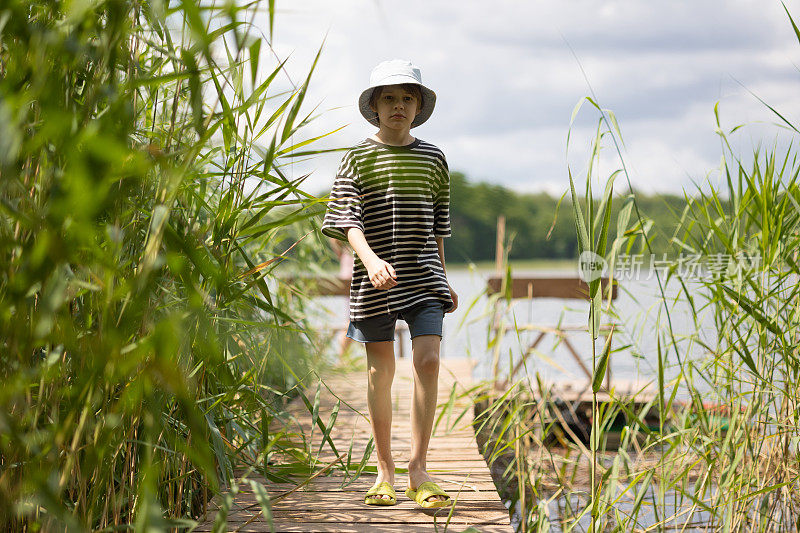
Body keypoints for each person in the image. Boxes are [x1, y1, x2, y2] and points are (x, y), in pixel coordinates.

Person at [321, 59, 458, 508]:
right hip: (373, 277)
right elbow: (347, 219)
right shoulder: (357, 157)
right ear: (375, 106)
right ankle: (385, 473)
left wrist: (445, 276)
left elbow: (439, 226)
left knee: (430, 360)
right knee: (381, 371)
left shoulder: (435, 158)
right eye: (389, 97)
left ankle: (419, 469)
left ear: (418, 106)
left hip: (423, 276)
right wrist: (371, 259)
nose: (398, 105)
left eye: (407, 97)